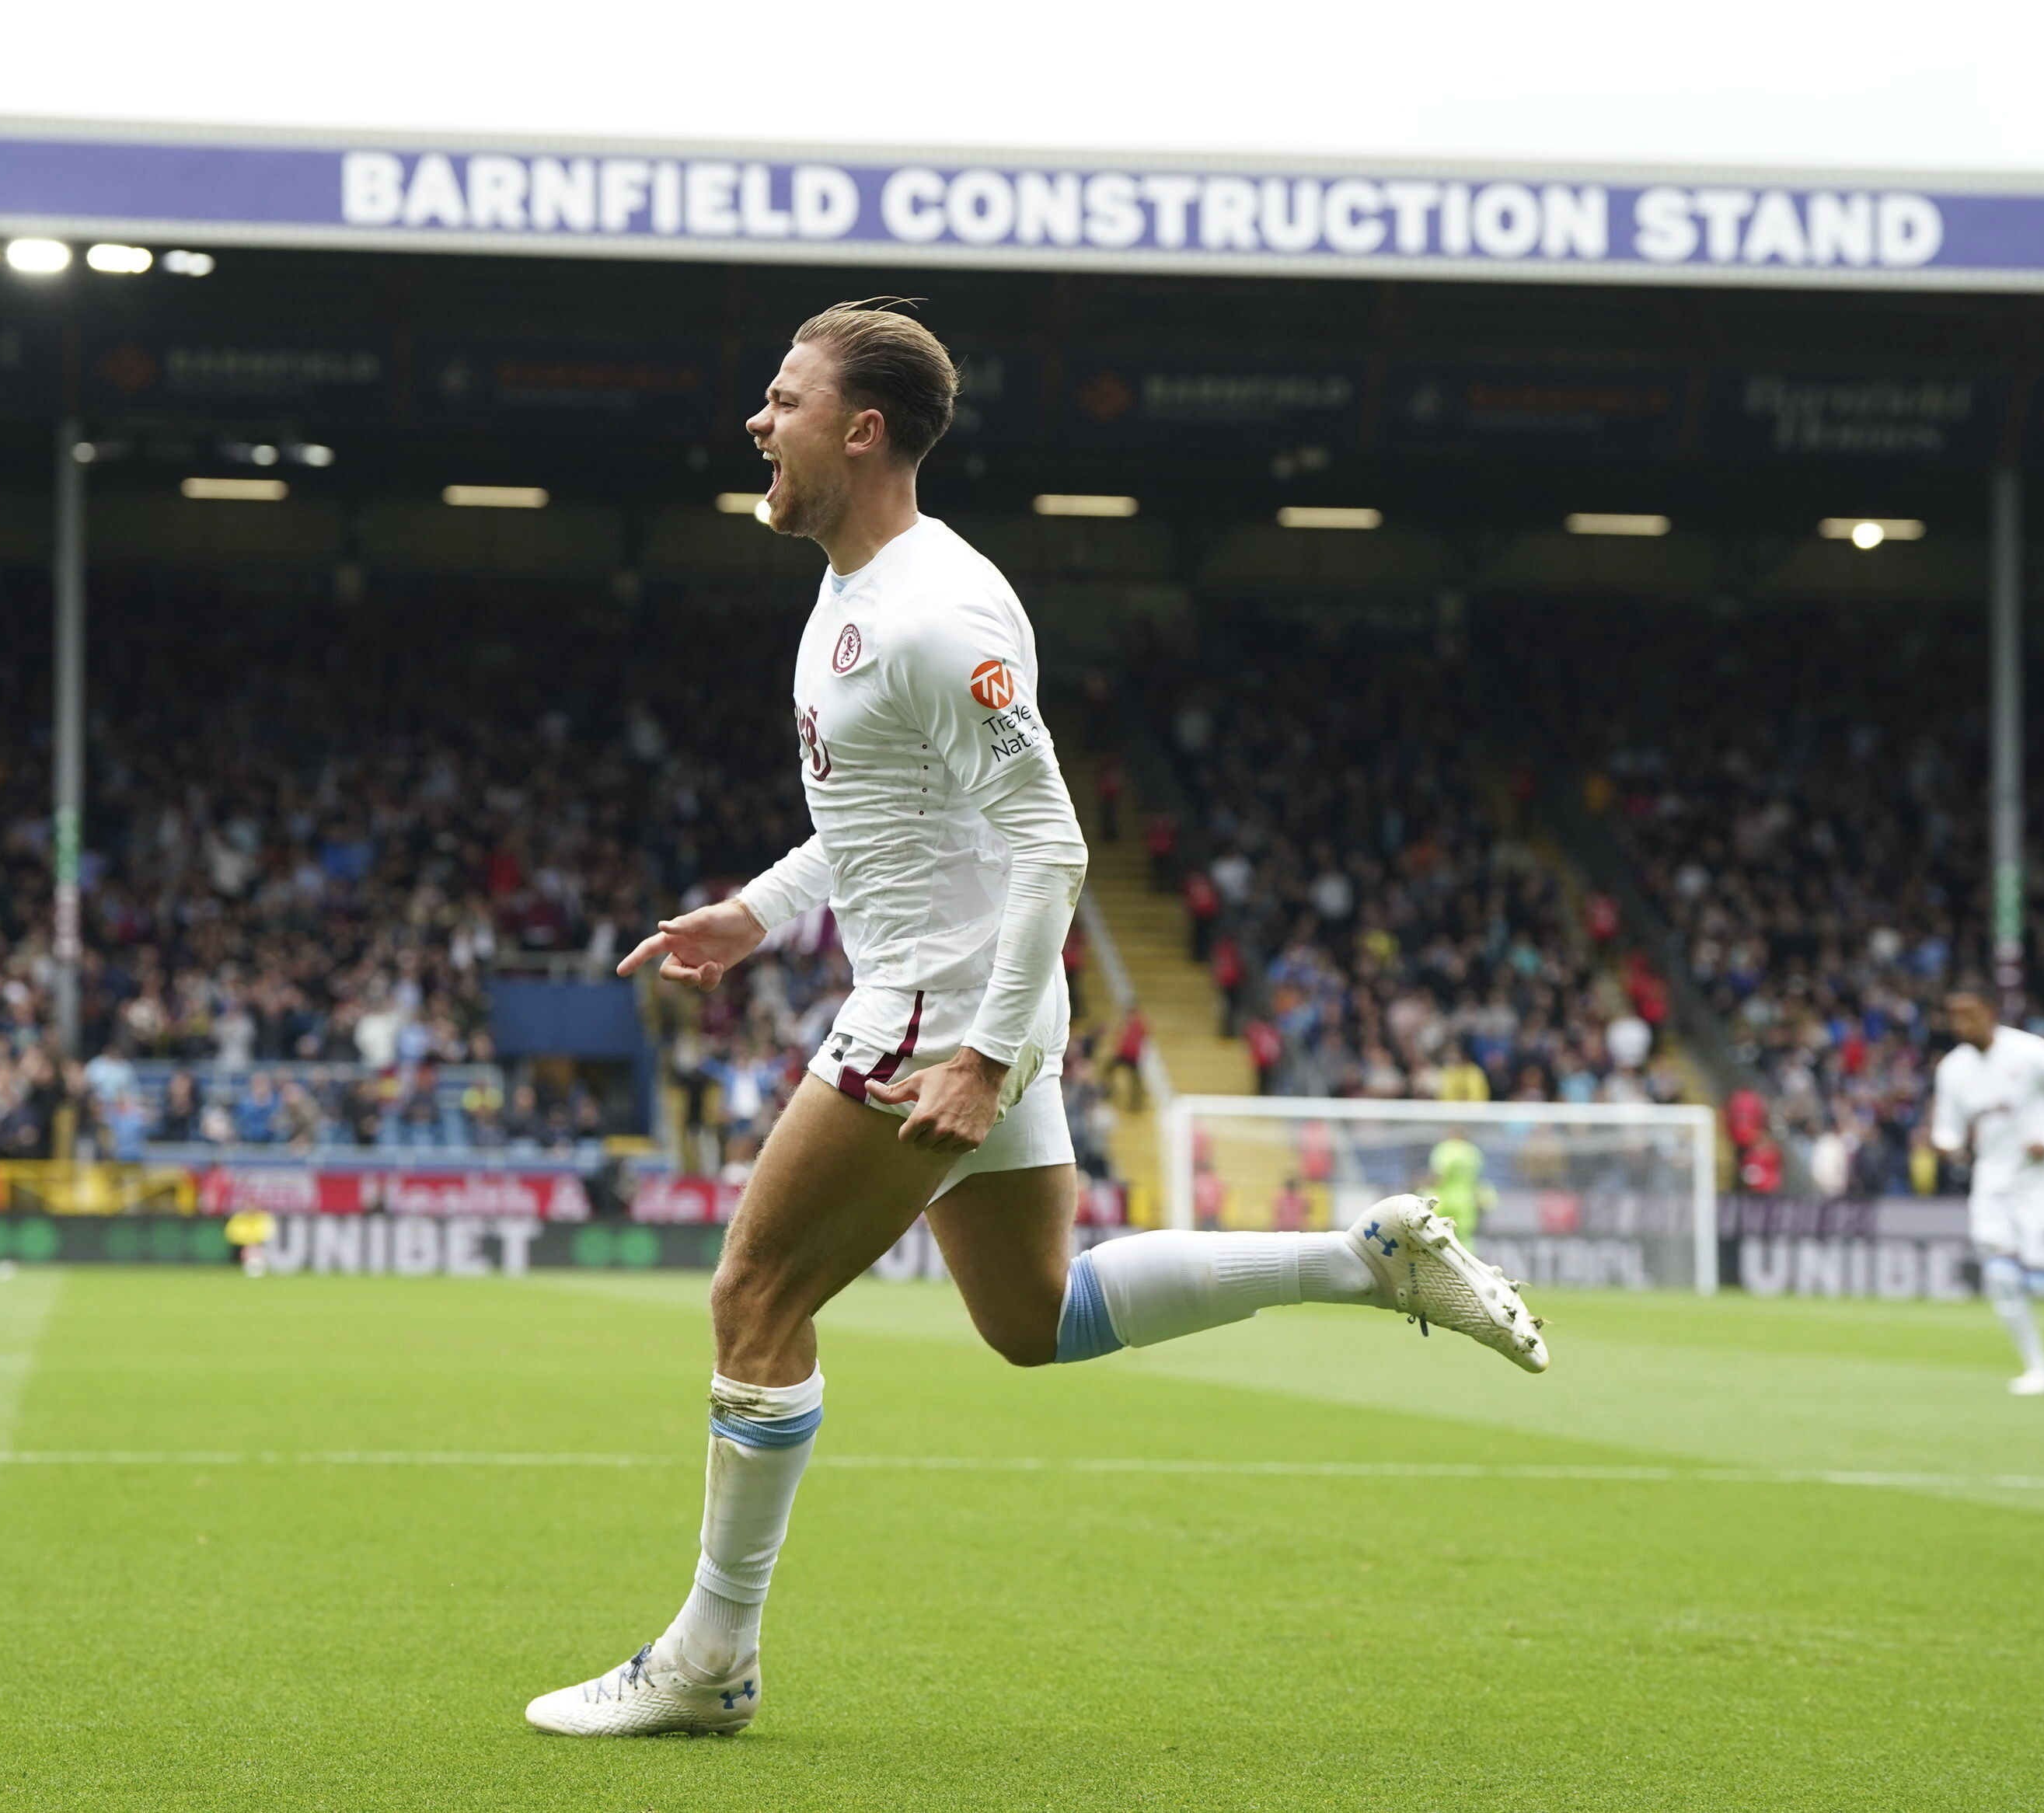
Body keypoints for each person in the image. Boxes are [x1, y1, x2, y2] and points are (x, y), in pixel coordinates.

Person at [524, 301, 1549, 1741]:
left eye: (783, 398)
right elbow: (886, 821)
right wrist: (755, 912)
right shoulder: (854, 591)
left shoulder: (935, 614)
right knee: (1031, 1317)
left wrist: (987, 1053)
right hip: (967, 994)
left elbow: (1053, 843)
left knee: (754, 1299)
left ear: (861, 428)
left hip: (944, 1009)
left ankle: (711, 1657)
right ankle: (1362, 1259)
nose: (758, 422)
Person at [1929, 987, 2044, 1395]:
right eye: (1955, 1017)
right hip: (1993, 1179)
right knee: (2000, 1275)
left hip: (2041, 1180)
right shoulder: (1953, 1069)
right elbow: (1948, 1124)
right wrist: (1946, 1142)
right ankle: (2037, 1368)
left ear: (1990, 1013)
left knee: (2040, 1278)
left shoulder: (2031, 1053)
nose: (1963, 1024)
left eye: (1970, 1014)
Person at [1425, 1132, 1497, 1243]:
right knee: (1465, 1238)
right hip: (1466, 1202)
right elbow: (1477, 1177)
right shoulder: (1473, 1151)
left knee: (1437, 1234)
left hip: (1444, 1199)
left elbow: (1440, 1173)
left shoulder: (1446, 1148)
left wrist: (1427, 1184)